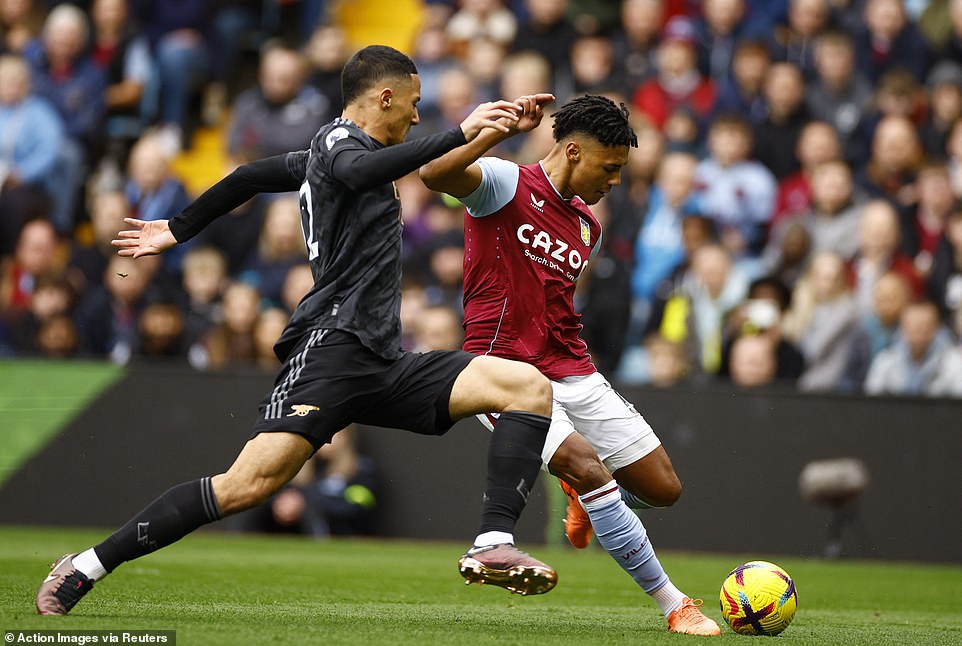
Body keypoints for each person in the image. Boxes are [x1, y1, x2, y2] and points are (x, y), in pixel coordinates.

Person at [36, 44, 559, 616]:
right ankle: (85, 566)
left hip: (382, 358)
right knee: (244, 487)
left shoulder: (330, 154)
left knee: (526, 387)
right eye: (412, 105)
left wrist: (177, 228)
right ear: (382, 97)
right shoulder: (341, 144)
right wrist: (458, 132)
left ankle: (493, 545)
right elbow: (358, 171)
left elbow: (247, 177)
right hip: (332, 348)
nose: (415, 116)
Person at [420, 94, 721, 635]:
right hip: (504, 374)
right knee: (587, 464)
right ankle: (675, 605)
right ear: (574, 151)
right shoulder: (503, 183)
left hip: (572, 368)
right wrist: (499, 132)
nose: (615, 182)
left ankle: (586, 495)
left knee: (663, 489)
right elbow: (434, 173)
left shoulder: (588, 226)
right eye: (610, 168)